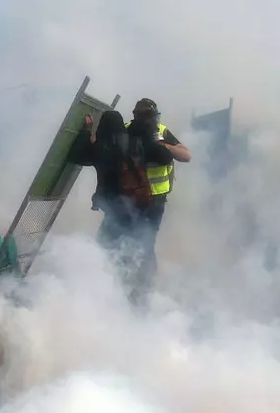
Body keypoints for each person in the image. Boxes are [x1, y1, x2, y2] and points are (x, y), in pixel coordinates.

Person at [68, 110, 174, 298]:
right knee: (139, 249)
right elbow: (165, 157)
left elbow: (75, 156)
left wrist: (86, 130)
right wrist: (153, 138)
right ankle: (141, 291)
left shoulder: (100, 149)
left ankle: (116, 293)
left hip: (115, 214)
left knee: (105, 251)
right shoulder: (136, 144)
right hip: (139, 208)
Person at [125, 98, 192, 287]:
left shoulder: (161, 131)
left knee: (146, 242)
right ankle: (129, 283)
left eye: (150, 116)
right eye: (144, 116)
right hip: (131, 198)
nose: (147, 120)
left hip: (154, 201)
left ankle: (143, 284)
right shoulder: (126, 129)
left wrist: (162, 146)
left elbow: (186, 155)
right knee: (128, 240)